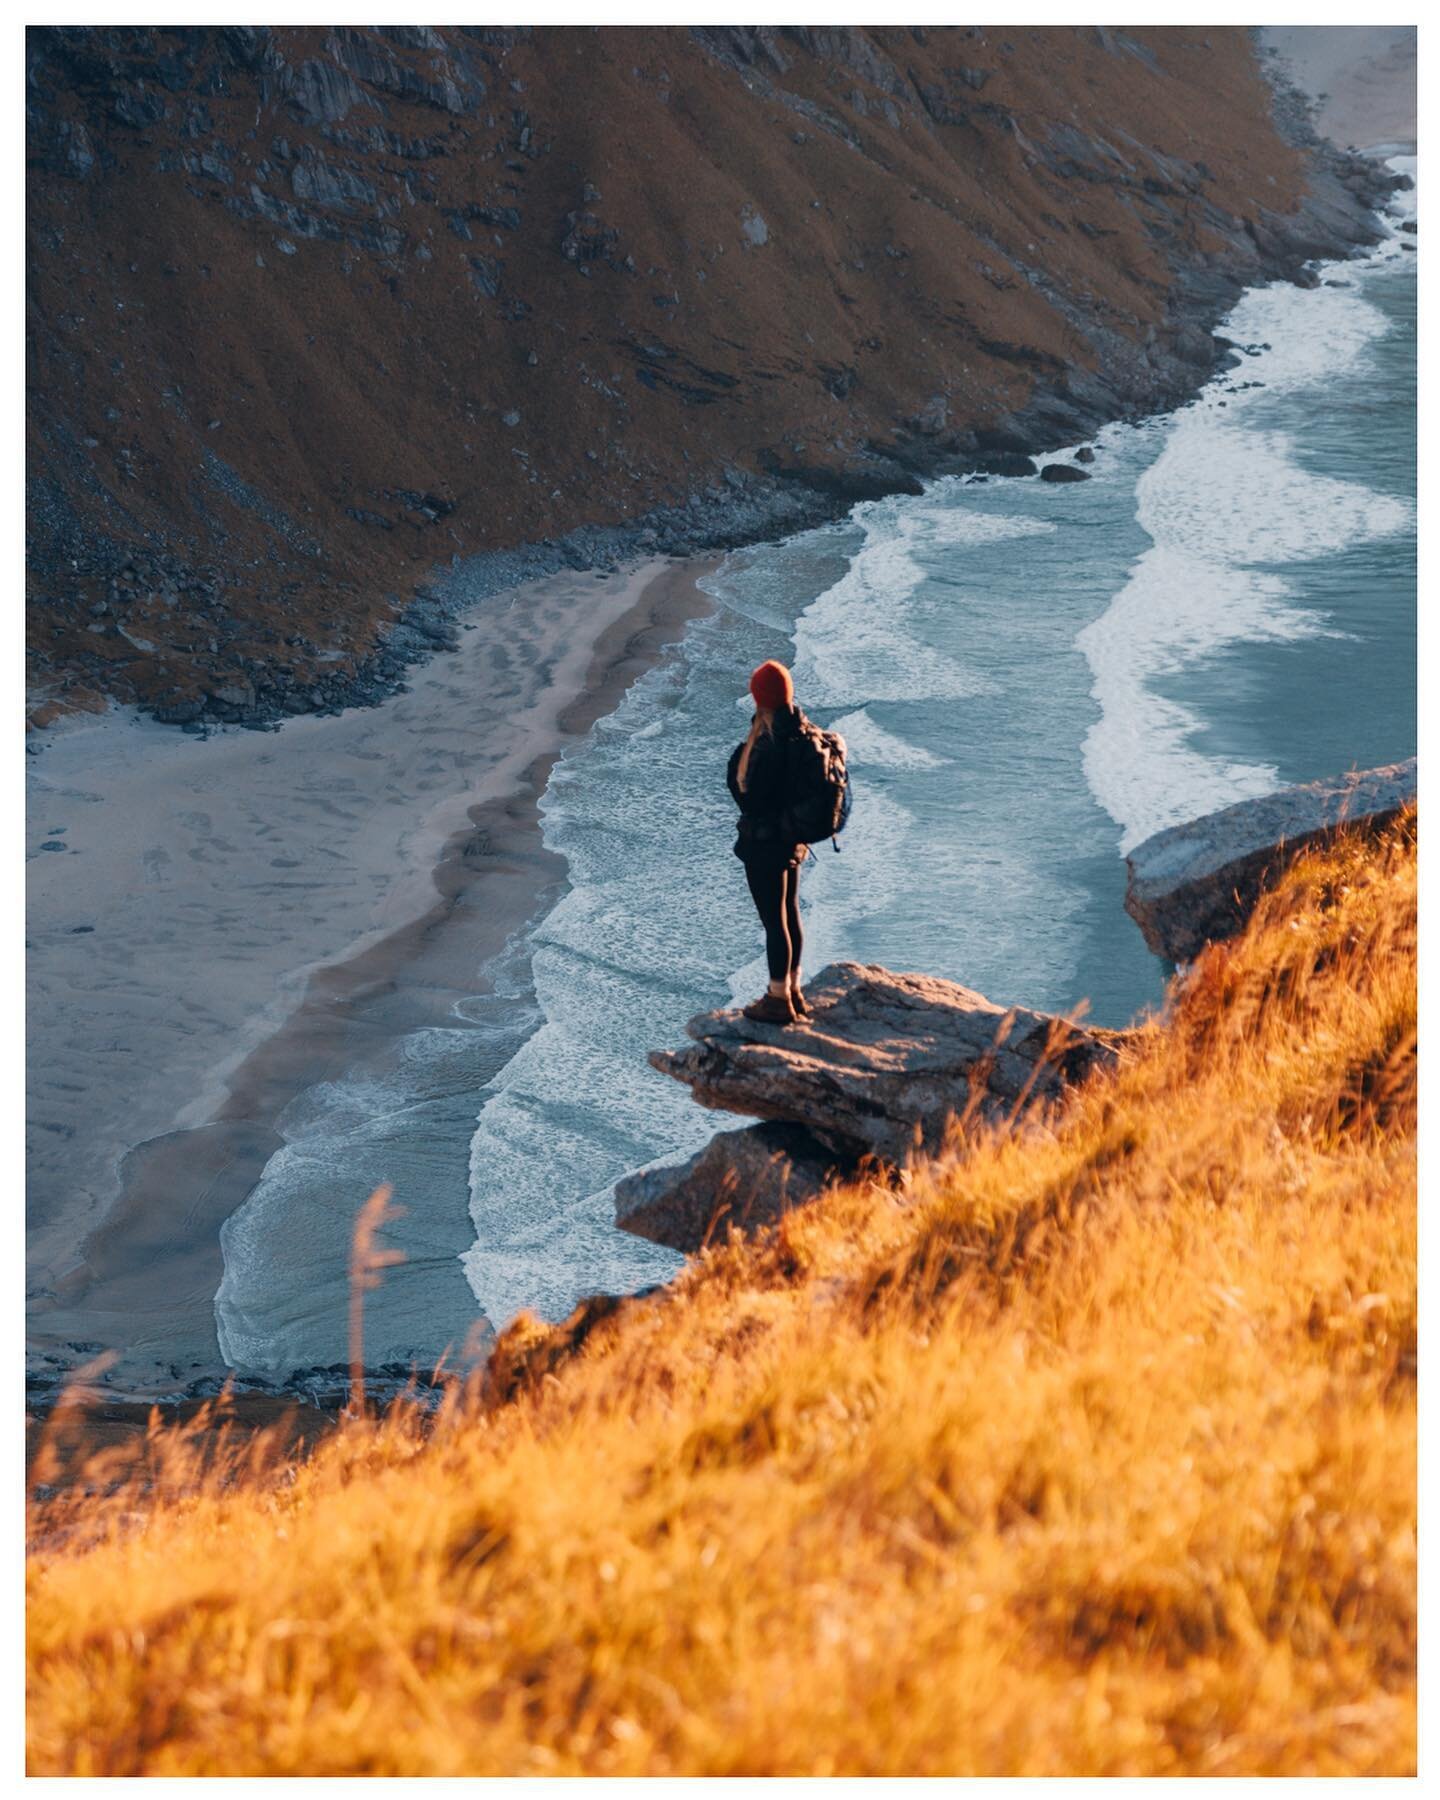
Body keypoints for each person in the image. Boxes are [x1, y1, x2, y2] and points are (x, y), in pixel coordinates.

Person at [726, 659, 812, 1025]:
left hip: (765, 844)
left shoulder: (767, 742)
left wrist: (736, 763)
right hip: (793, 839)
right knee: (789, 913)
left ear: (759, 697)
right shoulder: (801, 730)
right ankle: (793, 990)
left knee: (774, 922)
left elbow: (749, 795)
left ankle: (778, 999)